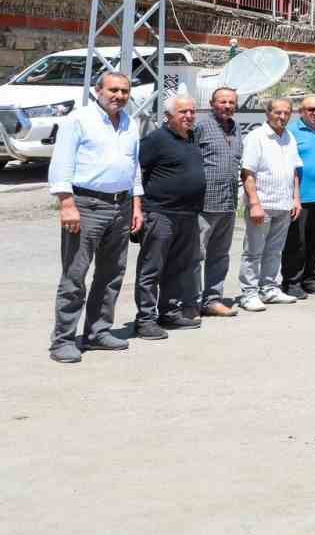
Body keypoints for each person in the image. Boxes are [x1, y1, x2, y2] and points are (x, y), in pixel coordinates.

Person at [47, 71, 142, 363]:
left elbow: (133, 166)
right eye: (113, 90)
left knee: (112, 273)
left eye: (124, 91)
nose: (119, 96)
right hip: (86, 205)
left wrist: (136, 205)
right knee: (75, 275)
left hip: (121, 205)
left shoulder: (130, 122)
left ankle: (97, 331)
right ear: (98, 90)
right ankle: (62, 339)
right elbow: (61, 163)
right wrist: (67, 204)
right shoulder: (78, 120)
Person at [131, 95, 206, 340]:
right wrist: (138, 208)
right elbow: (136, 172)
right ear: (169, 116)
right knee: (152, 269)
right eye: (183, 112)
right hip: (160, 214)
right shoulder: (156, 140)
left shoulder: (192, 138)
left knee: (177, 268)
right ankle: (145, 319)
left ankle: (169, 313)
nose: (189, 116)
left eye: (192, 111)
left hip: (187, 215)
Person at [239, 98, 303, 310]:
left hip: (283, 204)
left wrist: (295, 198)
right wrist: (255, 203)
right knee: (253, 252)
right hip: (262, 205)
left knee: (275, 251)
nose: (282, 117)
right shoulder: (256, 137)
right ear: (268, 113)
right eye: (278, 113)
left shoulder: (290, 137)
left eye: (286, 113)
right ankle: (249, 293)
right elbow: (248, 173)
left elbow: (294, 171)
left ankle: (269, 289)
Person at [191, 85, 243, 318]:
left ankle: (212, 299)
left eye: (231, 102)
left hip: (228, 202)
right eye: (222, 102)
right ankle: (190, 302)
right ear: (212, 104)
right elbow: (189, 159)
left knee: (220, 255)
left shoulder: (236, 128)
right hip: (204, 203)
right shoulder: (201, 126)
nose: (227, 106)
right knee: (195, 255)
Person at [283, 95, 315, 298]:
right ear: (301, 112)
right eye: (311, 109)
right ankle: (292, 282)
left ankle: (309, 278)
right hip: (301, 198)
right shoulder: (291, 133)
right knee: (297, 242)